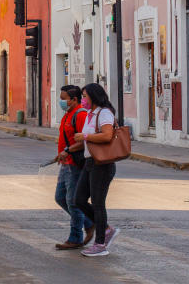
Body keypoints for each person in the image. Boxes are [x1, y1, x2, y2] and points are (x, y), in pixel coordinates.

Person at [74, 82, 120, 257]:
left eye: (85, 96)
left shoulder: (104, 113)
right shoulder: (90, 114)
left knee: (98, 203)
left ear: (94, 96)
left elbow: (107, 135)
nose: (82, 99)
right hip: (90, 162)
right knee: (78, 199)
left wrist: (85, 136)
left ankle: (100, 244)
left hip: (102, 164)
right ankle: (106, 229)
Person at [52, 85, 92, 249]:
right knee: (60, 198)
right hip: (65, 163)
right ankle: (89, 223)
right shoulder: (68, 114)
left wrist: (67, 150)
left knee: (72, 201)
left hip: (75, 164)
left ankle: (75, 238)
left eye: (64, 99)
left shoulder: (80, 114)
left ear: (74, 99)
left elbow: (84, 141)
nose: (61, 102)